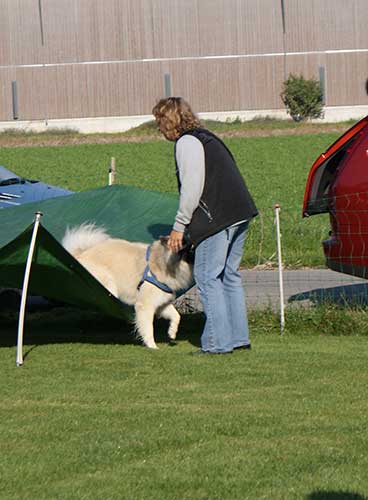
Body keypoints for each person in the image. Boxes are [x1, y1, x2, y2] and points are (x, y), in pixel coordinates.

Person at [152, 97, 258, 355]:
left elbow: (192, 189)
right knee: (228, 276)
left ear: (169, 122)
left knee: (208, 277)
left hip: (217, 219)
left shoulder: (187, 143)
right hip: (239, 212)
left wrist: (179, 227)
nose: (158, 128)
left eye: (159, 122)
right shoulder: (206, 137)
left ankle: (216, 344)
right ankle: (238, 338)